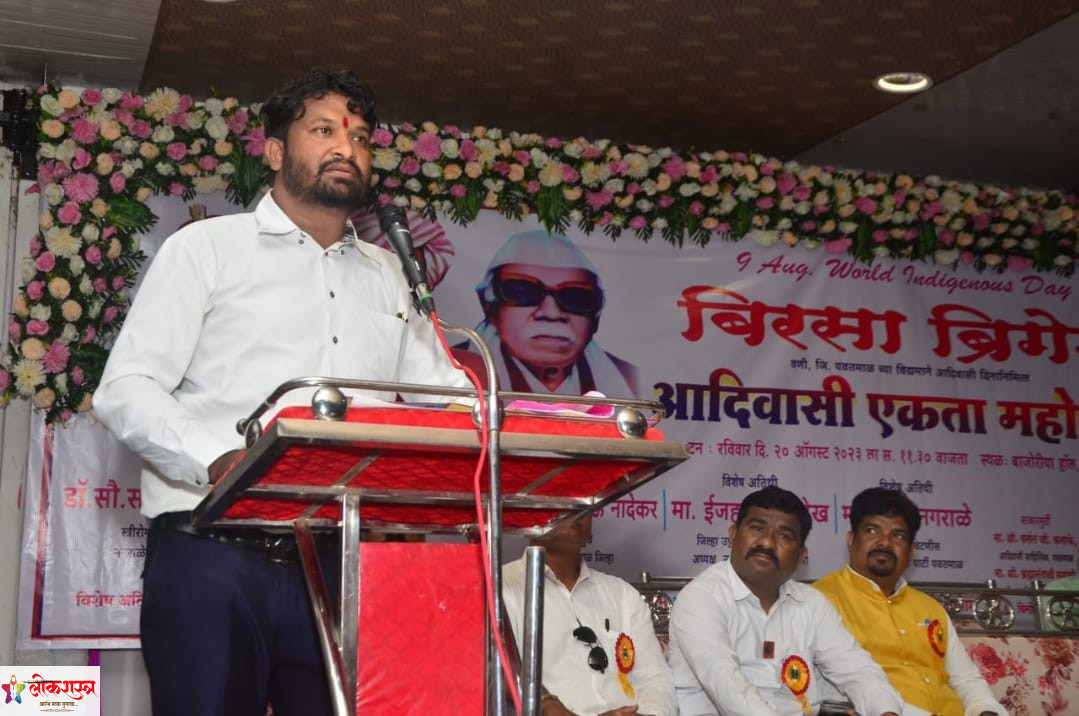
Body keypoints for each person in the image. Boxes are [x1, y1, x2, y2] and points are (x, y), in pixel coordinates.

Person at [92, 68, 469, 716]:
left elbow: (447, 399)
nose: (346, 148)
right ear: (273, 151)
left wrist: (525, 428)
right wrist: (217, 459)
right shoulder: (207, 249)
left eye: (360, 138)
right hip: (213, 554)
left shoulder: (390, 275)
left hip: (342, 567)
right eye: (324, 130)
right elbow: (126, 388)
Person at [666, 485, 903, 716]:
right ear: (733, 535)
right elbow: (727, 688)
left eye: (783, 536)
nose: (767, 543)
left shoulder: (812, 604)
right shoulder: (702, 597)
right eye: (757, 528)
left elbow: (856, 669)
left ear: (801, 556)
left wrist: (886, 711)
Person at [813, 488, 1007, 716]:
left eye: (898, 536)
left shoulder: (930, 608)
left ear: (912, 551)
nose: (884, 543)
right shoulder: (819, 601)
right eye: (872, 530)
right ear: (851, 539)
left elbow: (966, 680)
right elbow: (834, 694)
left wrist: (985, 710)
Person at [502, 514, 676, 716]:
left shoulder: (622, 594)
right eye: (560, 504)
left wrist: (650, 714)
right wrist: (547, 704)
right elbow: (495, 672)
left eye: (581, 507)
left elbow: (655, 679)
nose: (574, 514)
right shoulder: (500, 588)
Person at [453, 229, 639, 397]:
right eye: (523, 292)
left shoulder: (627, 377)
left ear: (596, 316)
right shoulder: (456, 369)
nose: (551, 313)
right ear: (489, 306)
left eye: (575, 297)